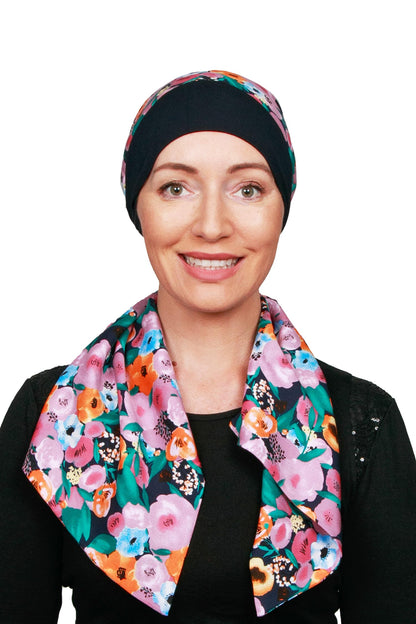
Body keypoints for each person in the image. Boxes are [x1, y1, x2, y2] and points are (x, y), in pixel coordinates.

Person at [0, 70, 415, 624]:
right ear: (139, 206)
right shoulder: (54, 412)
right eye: (176, 188)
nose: (213, 226)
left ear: (282, 209)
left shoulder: (361, 424)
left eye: (248, 189)